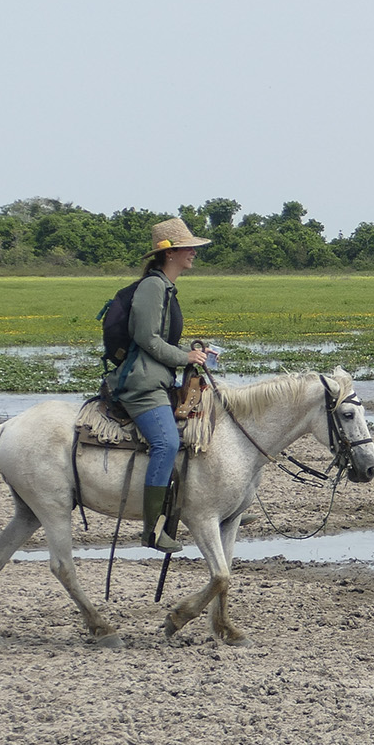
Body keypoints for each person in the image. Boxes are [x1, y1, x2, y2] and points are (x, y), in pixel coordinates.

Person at [111, 217, 213, 550]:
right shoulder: (153, 287)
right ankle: (152, 530)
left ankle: (215, 507)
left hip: (159, 380)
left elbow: (160, 340)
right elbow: (146, 338)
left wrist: (194, 353)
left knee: (201, 430)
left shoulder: (165, 287)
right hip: (142, 384)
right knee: (167, 443)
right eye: (189, 248)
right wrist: (185, 358)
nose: (193, 254)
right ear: (170, 254)